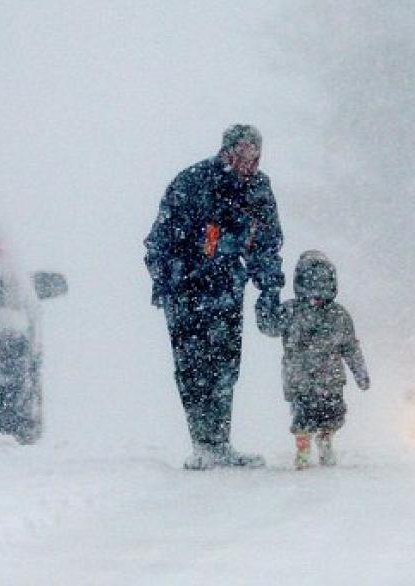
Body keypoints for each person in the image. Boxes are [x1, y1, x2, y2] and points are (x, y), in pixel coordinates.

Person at [144, 124, 285, 470]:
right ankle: (202, 443)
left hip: (226, 290)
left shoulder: (259, 189)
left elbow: (266, 243)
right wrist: (170, 281)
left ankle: (219, 442)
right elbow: (159, 240)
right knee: (192, 365)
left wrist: (269, 288)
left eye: (256, 154)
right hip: (187, 290)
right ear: (228, 152)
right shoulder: (192, 182)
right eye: (244, 153)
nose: (251, 162)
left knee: (225, 364)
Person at [258, 249, 370, 469]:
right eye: (311, 285)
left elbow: (350, 347)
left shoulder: (339, 315)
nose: (316, 295)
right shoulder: (291, 311)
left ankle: (325, 439)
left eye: (322, 285)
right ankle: (303, 449)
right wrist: (266, 302)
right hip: (300, 379)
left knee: (333, 413)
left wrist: (360, 372)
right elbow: (269, 326)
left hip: (331, 379)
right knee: (303, 416)